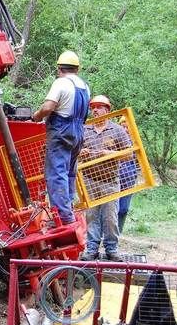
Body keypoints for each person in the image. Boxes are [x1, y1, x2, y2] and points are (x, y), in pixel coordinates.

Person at [32, 50, 90, 225]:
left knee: (56, 173)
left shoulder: (61, 83)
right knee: (70, 172)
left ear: (59, 69)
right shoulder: (84, 86)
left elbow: (48, 107)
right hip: (78, 132)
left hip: (61, 131)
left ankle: (62, 216)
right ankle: (68, 209)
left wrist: (37, 116)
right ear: (77, 69)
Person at [78, 95, 132, 261]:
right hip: (89, 180)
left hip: (110, 181)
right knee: (91, 216)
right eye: (93, 107)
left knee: (110, 217)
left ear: (107, 110)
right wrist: (80, 152)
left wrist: (111, 154)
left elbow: (129, 154)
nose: (95, 110)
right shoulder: (84, 129)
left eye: (99, 107)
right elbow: (74, 152)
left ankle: (111, 249)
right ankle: (92, 248)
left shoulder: (118, 130)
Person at [117, 115, 138, 232]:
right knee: (111, 209)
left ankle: (118, 231)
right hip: (113, 180)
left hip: (129, 181)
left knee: (123, 208)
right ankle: (108, 232)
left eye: (127, 127)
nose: (125, 130)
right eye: (122, 127)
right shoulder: (114, 141)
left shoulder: (136, 143)